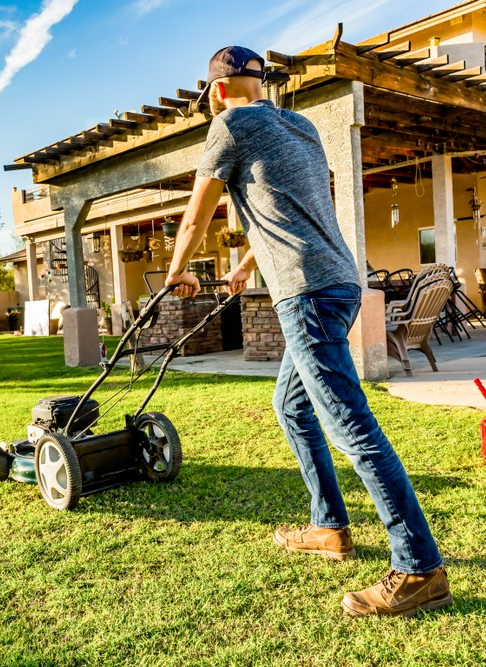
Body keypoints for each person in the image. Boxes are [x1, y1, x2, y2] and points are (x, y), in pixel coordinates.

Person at [164, 46, 452, 617]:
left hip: (308, 297)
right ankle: (329, 527)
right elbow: (295, 206)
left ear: (217, 91)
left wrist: (177, 273)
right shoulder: (297, 126)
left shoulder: (229, 124)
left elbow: (197, 214)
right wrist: (246, 266)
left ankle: (419, 568)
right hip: (340, 283)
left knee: (349, 425)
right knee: (292, 407)